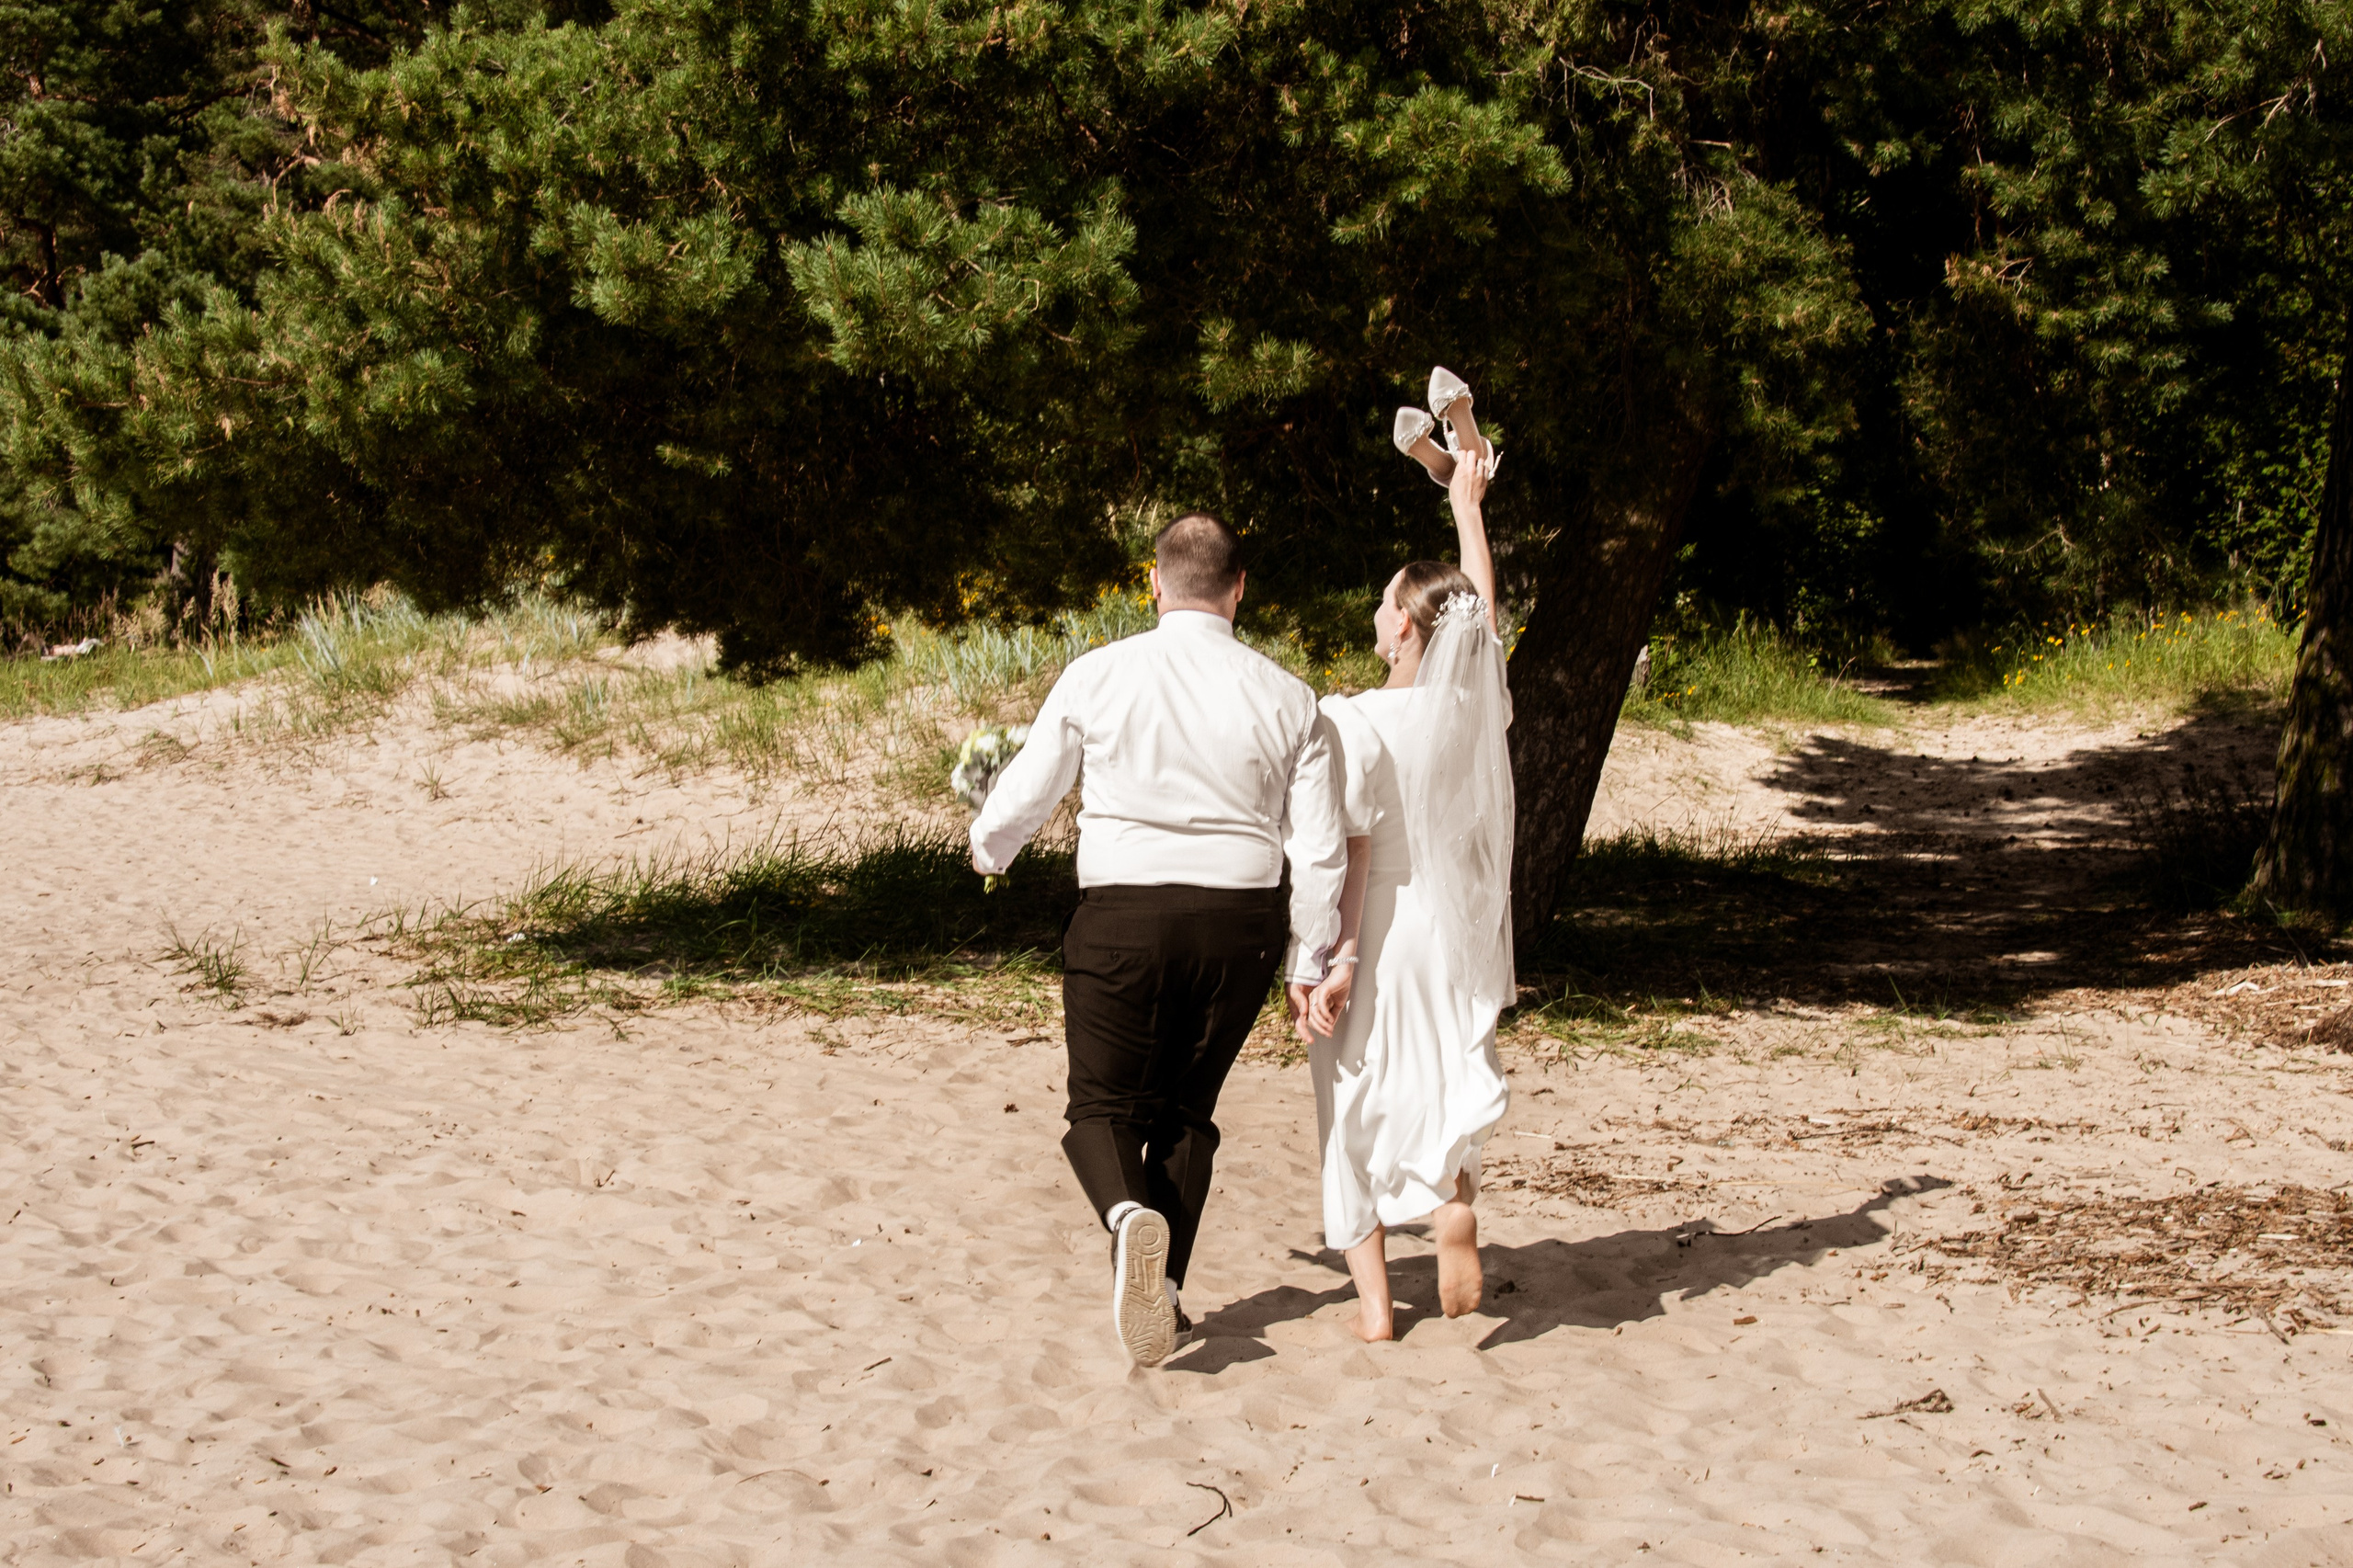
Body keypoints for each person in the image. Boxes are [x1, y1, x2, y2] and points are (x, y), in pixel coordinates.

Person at [972, 513, 1347, 1369]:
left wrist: (989, 849)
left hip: (1124, 917)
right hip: (1240, 927)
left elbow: (1031, 785)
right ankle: (1166, 1293)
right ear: (1240, 588)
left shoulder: (1099, 674)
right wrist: (1309, 956)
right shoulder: (1291, 697)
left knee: (1101, 1109)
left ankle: (1126, 1215)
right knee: (1187, 1112)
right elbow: (1319, 848)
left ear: (1153, 583)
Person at [1293, 366, 1516, 1343]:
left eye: (1389, 601)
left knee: (1351, 1097)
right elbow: (1480, 618)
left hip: (1379, 923)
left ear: (1402, 630)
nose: (1380, 608)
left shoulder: (1350, 720)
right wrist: (1466, 509)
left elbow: (1345, 848)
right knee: (1444, 1073)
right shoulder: (1469, 709)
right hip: (1455, 922)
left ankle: (1379, 1309)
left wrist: (1332, 957)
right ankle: (1453, 1200)